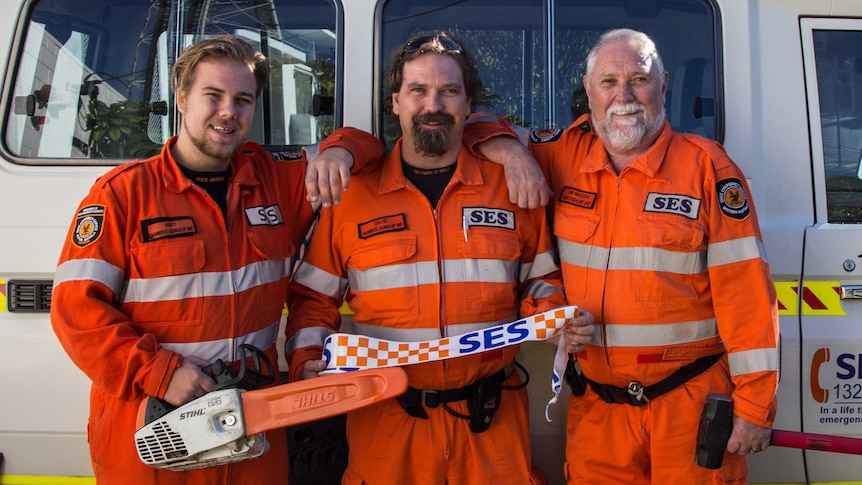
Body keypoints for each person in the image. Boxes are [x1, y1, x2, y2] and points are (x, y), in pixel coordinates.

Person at [49, 34, 383, 484]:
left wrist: (339, 150)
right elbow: (75, 312)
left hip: (252, 424)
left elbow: (369, 146)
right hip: (155, 427)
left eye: (243, 99)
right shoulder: (122, 195)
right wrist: (160, 373)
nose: (229, 111)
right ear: (182, 99)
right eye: (214, 96)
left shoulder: (277, 178)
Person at [468, 28, 779, 484]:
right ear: (588, 91)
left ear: (664, 84)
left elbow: (748, 296)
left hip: (688, 405)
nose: (625, 96)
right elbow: (473, 124)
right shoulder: (563, 153)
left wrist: (754, 406)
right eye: (609, 82)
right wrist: (514, 155)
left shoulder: (707, 168)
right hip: (599, 408)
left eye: (639, 79)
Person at [284, 31, 593, 485]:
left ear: (469, 106)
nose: (434, 104)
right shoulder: (352, 196)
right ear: (395, 102)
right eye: (418, 91)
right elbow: (312, 297)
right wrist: (308, 355)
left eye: (449, 91)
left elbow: (540, 280)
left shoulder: (509, 187)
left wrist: (553, 317)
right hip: (387, 419)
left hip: (491, 422)